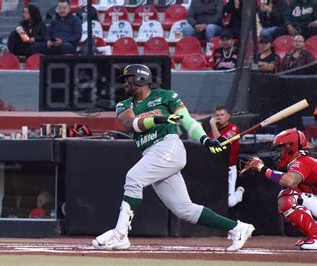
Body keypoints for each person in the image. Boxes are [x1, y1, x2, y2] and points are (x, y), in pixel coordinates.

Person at [92, 64, 255, 252]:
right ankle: (238, 228)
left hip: (168, 146)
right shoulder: (125, 104)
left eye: (129, 79)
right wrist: (157, 119)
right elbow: (131, 124)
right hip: (151, 153)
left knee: (133, 178)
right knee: (184, 209)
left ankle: (120, 234)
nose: (125, 84)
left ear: (141, 79)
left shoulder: (165, 96)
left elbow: (187, 121)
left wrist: (205, 139)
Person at [241, 128, 317, 250]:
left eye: (281, 148)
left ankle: (316, 237)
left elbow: (290, 181)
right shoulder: (301, 160)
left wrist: (263, 168)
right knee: (295, 194)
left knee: (287, 196)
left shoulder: (302, 161)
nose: (279, 152)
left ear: (291, 147)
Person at [209, 106, 244, 207]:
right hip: (215, 168)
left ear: (228, 116)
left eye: (222, 115)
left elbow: (221, 143)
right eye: (217, 115)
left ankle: (240, 192)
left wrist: (212, 125)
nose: (219, 117)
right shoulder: (212, 132)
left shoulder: (233, 128)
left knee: (229, 202)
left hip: (229, 169)